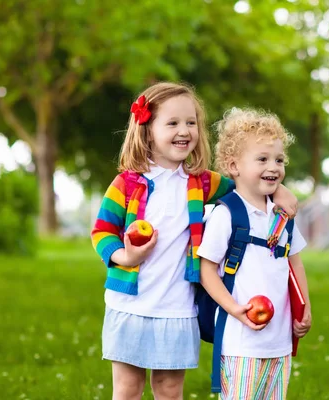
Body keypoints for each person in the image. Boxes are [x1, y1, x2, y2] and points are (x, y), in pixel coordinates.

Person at [90, 83, 298, 400]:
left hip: (177, 308)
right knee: (128, 389)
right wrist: (125, 257)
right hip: (129, 305)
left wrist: (277, 190)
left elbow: (244, 185)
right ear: (147, 131)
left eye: (191, 122)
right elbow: (101, 232)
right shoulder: (127, 183)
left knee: (170, 390)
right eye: (172, 123)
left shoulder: (200, 182)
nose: (184, 130)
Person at [198, 108, 312, 400]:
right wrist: (233, 308)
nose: (273, 167)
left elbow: (294, 263)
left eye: (278, 160)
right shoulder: (226, 215)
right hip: (241, 343)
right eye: (262, 159)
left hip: (280, 342)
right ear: (233, 165)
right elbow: (207, 270)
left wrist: (304, 308)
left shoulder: (282, 215)